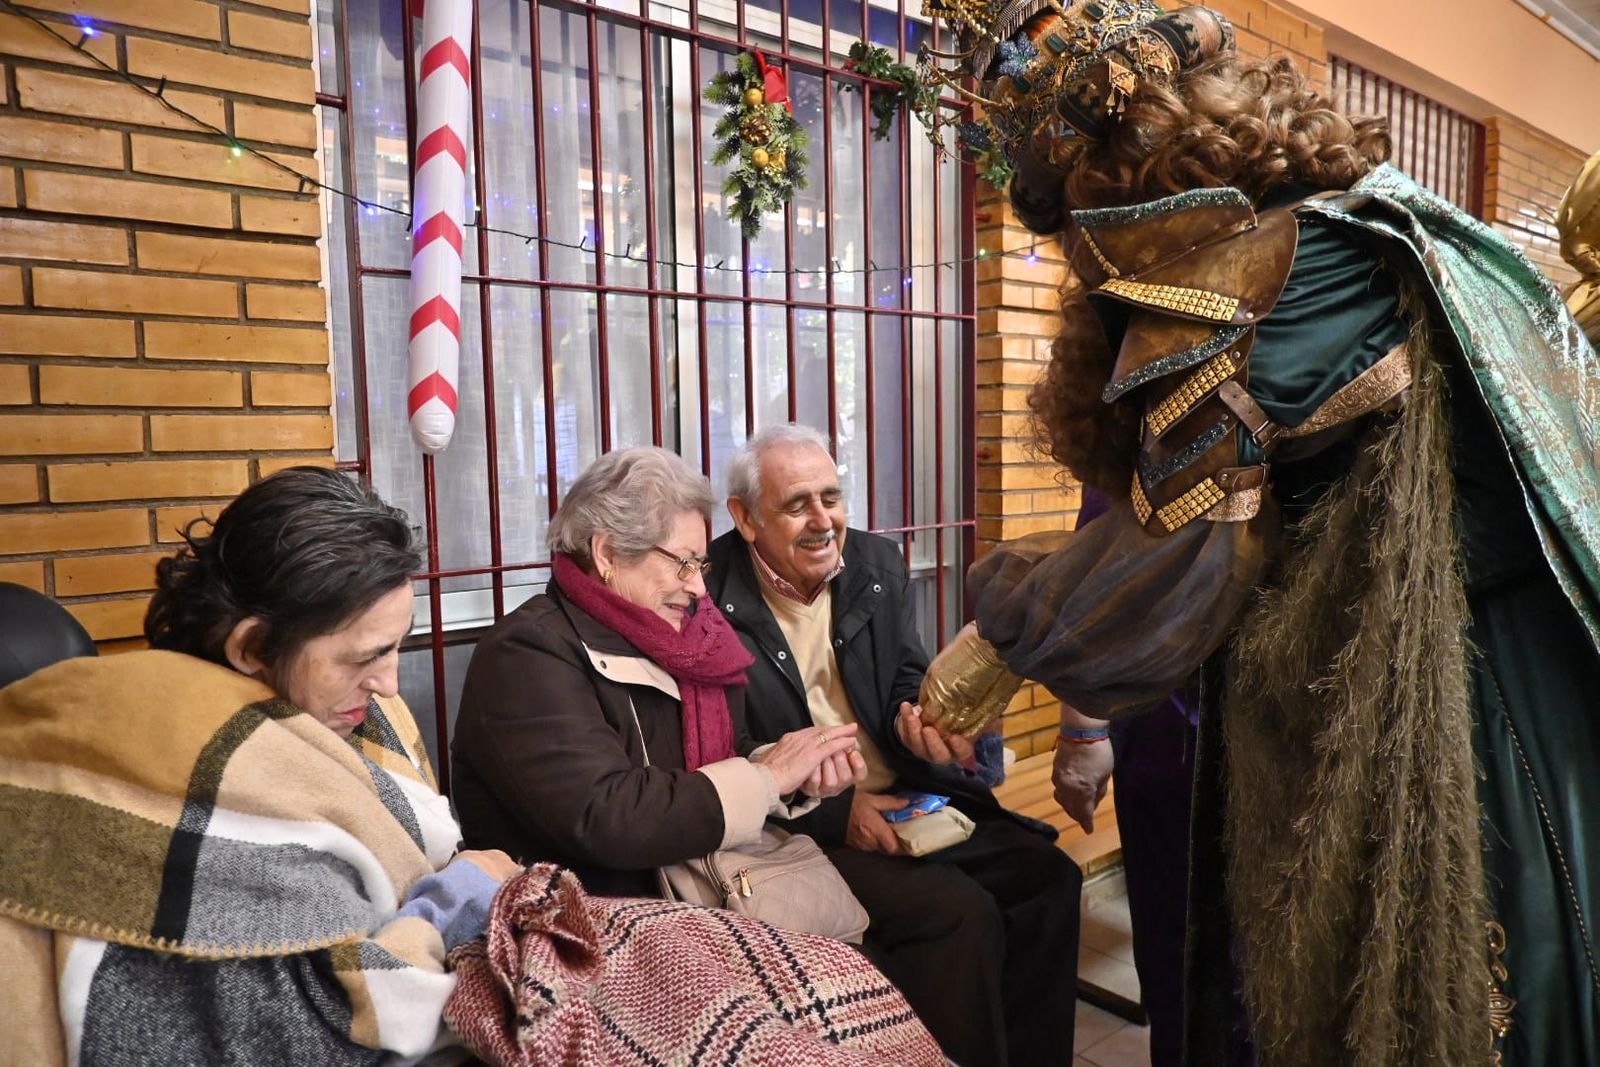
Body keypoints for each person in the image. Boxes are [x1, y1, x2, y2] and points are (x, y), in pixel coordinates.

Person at [919, 2, 1600, 1064]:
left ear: (1105, 177)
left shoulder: (1271, 272)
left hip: (1448, 701)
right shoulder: (1377, 213)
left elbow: (1176, 557)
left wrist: (996, 648)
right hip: (1523, 666)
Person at [0, 466, 520, 1065]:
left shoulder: (348, 713)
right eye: (363, 658)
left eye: (398, 643)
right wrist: (461, 896)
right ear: (249, 648)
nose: (388, 683)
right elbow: (327, 1030)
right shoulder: (187, 762)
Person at [704, 423, 1083, 1067]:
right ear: (744, 517)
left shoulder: (876, 565)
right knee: (963, 915)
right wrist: (835, 812)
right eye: (796, 505)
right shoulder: (709, 596)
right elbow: (723, 747)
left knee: (1051, 879)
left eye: (832, 496)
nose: (823, 521)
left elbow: (903, 675)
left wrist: (925, 723)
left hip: (908, 795)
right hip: (800, 827)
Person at [451, 446, 867, 901]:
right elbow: (607, 816)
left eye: (701, 564)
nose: (698, 586)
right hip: (596, 919)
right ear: (607, 553)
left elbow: (721, 755)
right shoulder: (526, 654)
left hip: (704, 885)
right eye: (682, 562)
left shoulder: (690, 640)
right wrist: (766, 779)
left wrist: (789, 771)